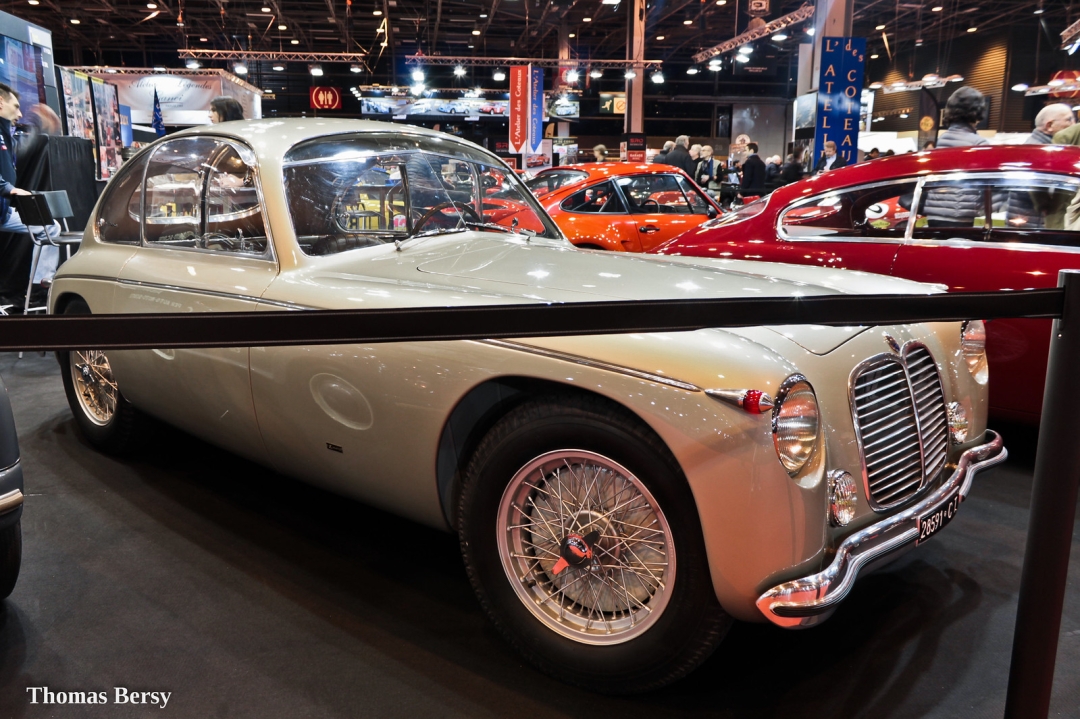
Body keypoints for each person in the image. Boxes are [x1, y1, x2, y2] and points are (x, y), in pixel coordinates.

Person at [0, 83, 60, 297]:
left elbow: (19, 149)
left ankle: (38, 289)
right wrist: (10, 189)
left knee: (50, 227)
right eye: (16, 107)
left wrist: (38, 124)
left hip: (3, 213)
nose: (20, 114)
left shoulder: (4, 133)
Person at [924, 86, 990, 227]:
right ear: (977, 112)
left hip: (934, 212)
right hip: (960, 215)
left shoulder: (940, 140)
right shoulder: (978, 144)